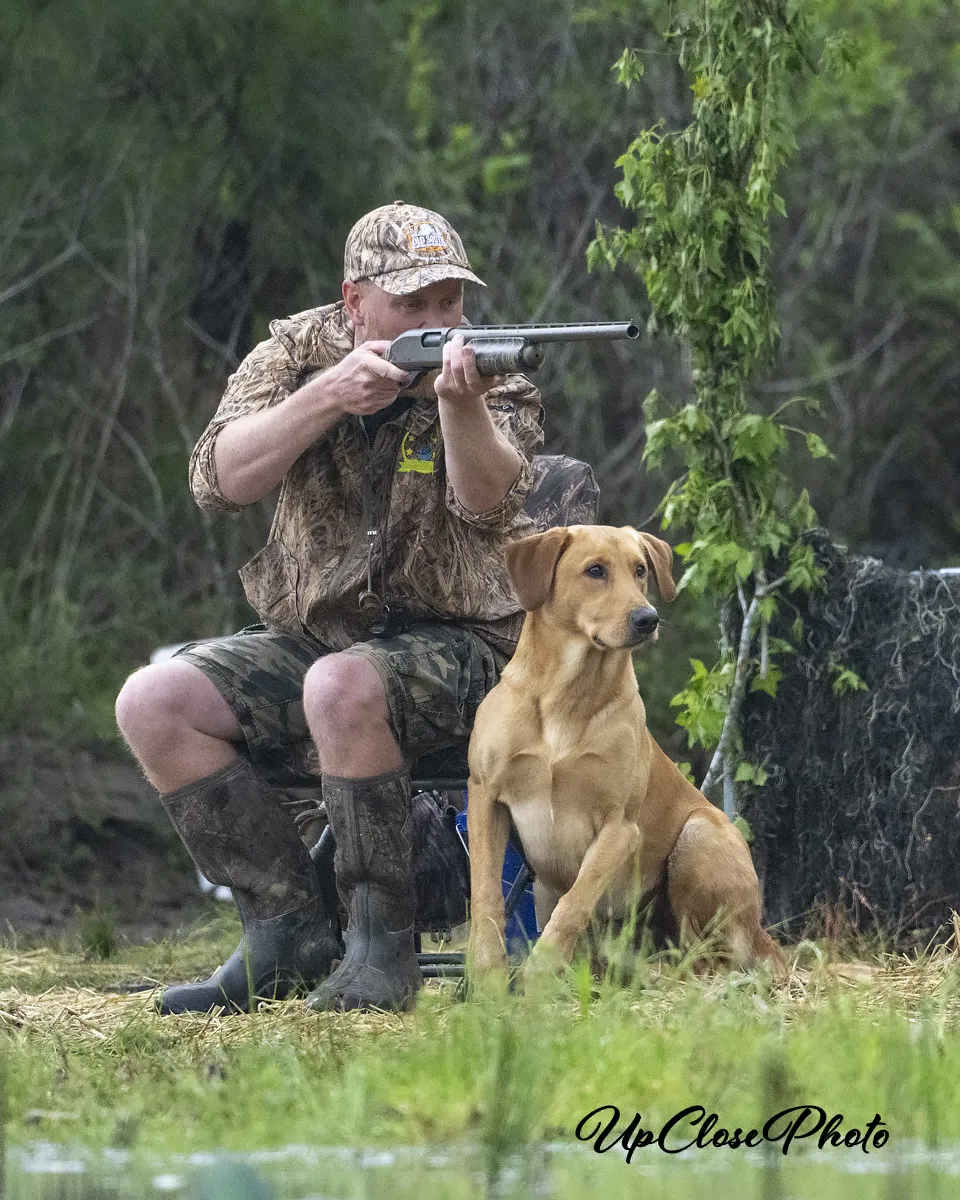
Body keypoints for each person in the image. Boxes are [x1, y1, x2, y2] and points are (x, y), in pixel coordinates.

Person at [114, 201, 544, 1013]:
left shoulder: (492, 371)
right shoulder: (290, 355)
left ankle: (382, 948)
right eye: (414, 304)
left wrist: (458, 405)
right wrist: (328, 398)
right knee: (153, 699)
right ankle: (286, 931)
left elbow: (490, 503)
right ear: (355, 304)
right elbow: (220, 480)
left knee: (342, 687)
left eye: (449, 300)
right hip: (321, 641)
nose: (439, 320)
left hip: (470, 652)